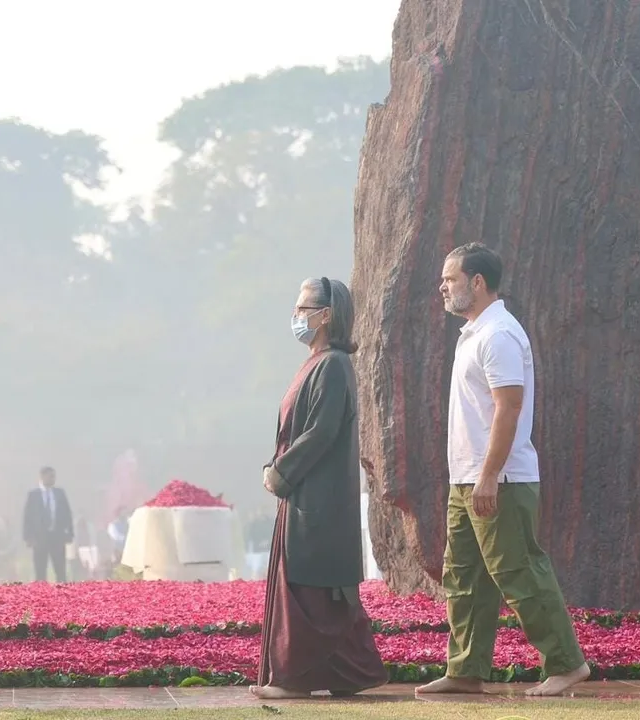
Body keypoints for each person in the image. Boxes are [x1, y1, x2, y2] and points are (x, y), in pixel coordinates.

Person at [416, 243, 590, 697]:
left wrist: (490, 475)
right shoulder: (473, 332)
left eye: (450, 279)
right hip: (466, 477)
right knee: (464, 575)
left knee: (518, 571)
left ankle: (566, 664)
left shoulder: (499, 335)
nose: (443, 287)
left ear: (477, 282)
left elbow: (508, 407)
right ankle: (466, 670)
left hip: (501, 478)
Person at [250, 276, 388, 700]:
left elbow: (320, 432)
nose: (296, 316)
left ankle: (296, 680)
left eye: (303, 309)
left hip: (319, 497)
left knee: (310, 590)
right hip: (304, 495)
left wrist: (280, 472)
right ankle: (347, 675)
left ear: (325, 316)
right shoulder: (315, 361)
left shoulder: (333, 364)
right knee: (315, 590)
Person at [21, 466, 74, 582]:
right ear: (42, 477)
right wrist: (28, 537)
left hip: (57, 537)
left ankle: (63, 595)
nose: (53, 479)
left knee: (61, 570)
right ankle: (43, 597)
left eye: (54, 476)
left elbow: (67, 514)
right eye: (51, 476)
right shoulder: (33, 495)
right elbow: (27, 517)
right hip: (39, 539)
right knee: (40, 572)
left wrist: (70, 533)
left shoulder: (59, 493)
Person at [0, 516, 18, 583]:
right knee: (0, 573)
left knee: (11, 573)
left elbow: (13, 544)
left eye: (1, 522)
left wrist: (5, 552)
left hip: (9, 556)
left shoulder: (11, 533)